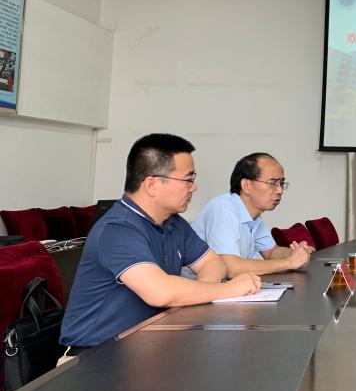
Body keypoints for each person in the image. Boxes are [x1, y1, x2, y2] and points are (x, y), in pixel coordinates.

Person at [60, 134, 262, 350]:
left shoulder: (173, 222)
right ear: (152, 184)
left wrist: (199, 292)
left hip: (151, 343)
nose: (194, 187)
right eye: (188, 179)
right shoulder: (117, 229)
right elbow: (160, 293)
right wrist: (229, 289)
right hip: (97, 354)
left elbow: (213, 263)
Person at [190, 152, 312, 274]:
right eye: (272, 183)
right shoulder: (223, 208)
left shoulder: (254, 216)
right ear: (246, 185)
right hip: (197, 284)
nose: (280, 190)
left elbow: (271, 252)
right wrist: (289, 262)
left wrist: (296, 253)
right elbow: (230, 268)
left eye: (281, 183)